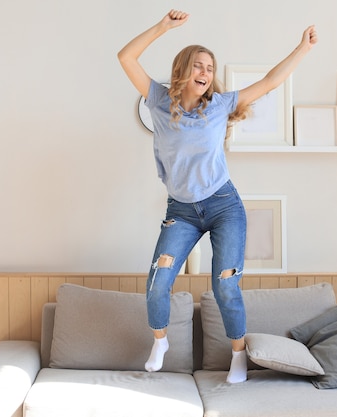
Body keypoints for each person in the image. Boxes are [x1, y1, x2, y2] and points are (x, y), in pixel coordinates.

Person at [118, 9, 317, 383]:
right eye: (198, 65)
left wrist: (302, 49)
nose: (205, 72)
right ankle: (159, 340)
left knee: (225, 284)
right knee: (158, 281)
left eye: (209, 67)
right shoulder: (158, 99)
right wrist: (163, 27)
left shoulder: (221, 106)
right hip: (181, 211)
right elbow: (125, 58)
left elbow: (271, 82)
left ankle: (238, 356)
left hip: (224, 206)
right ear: (183, 70)